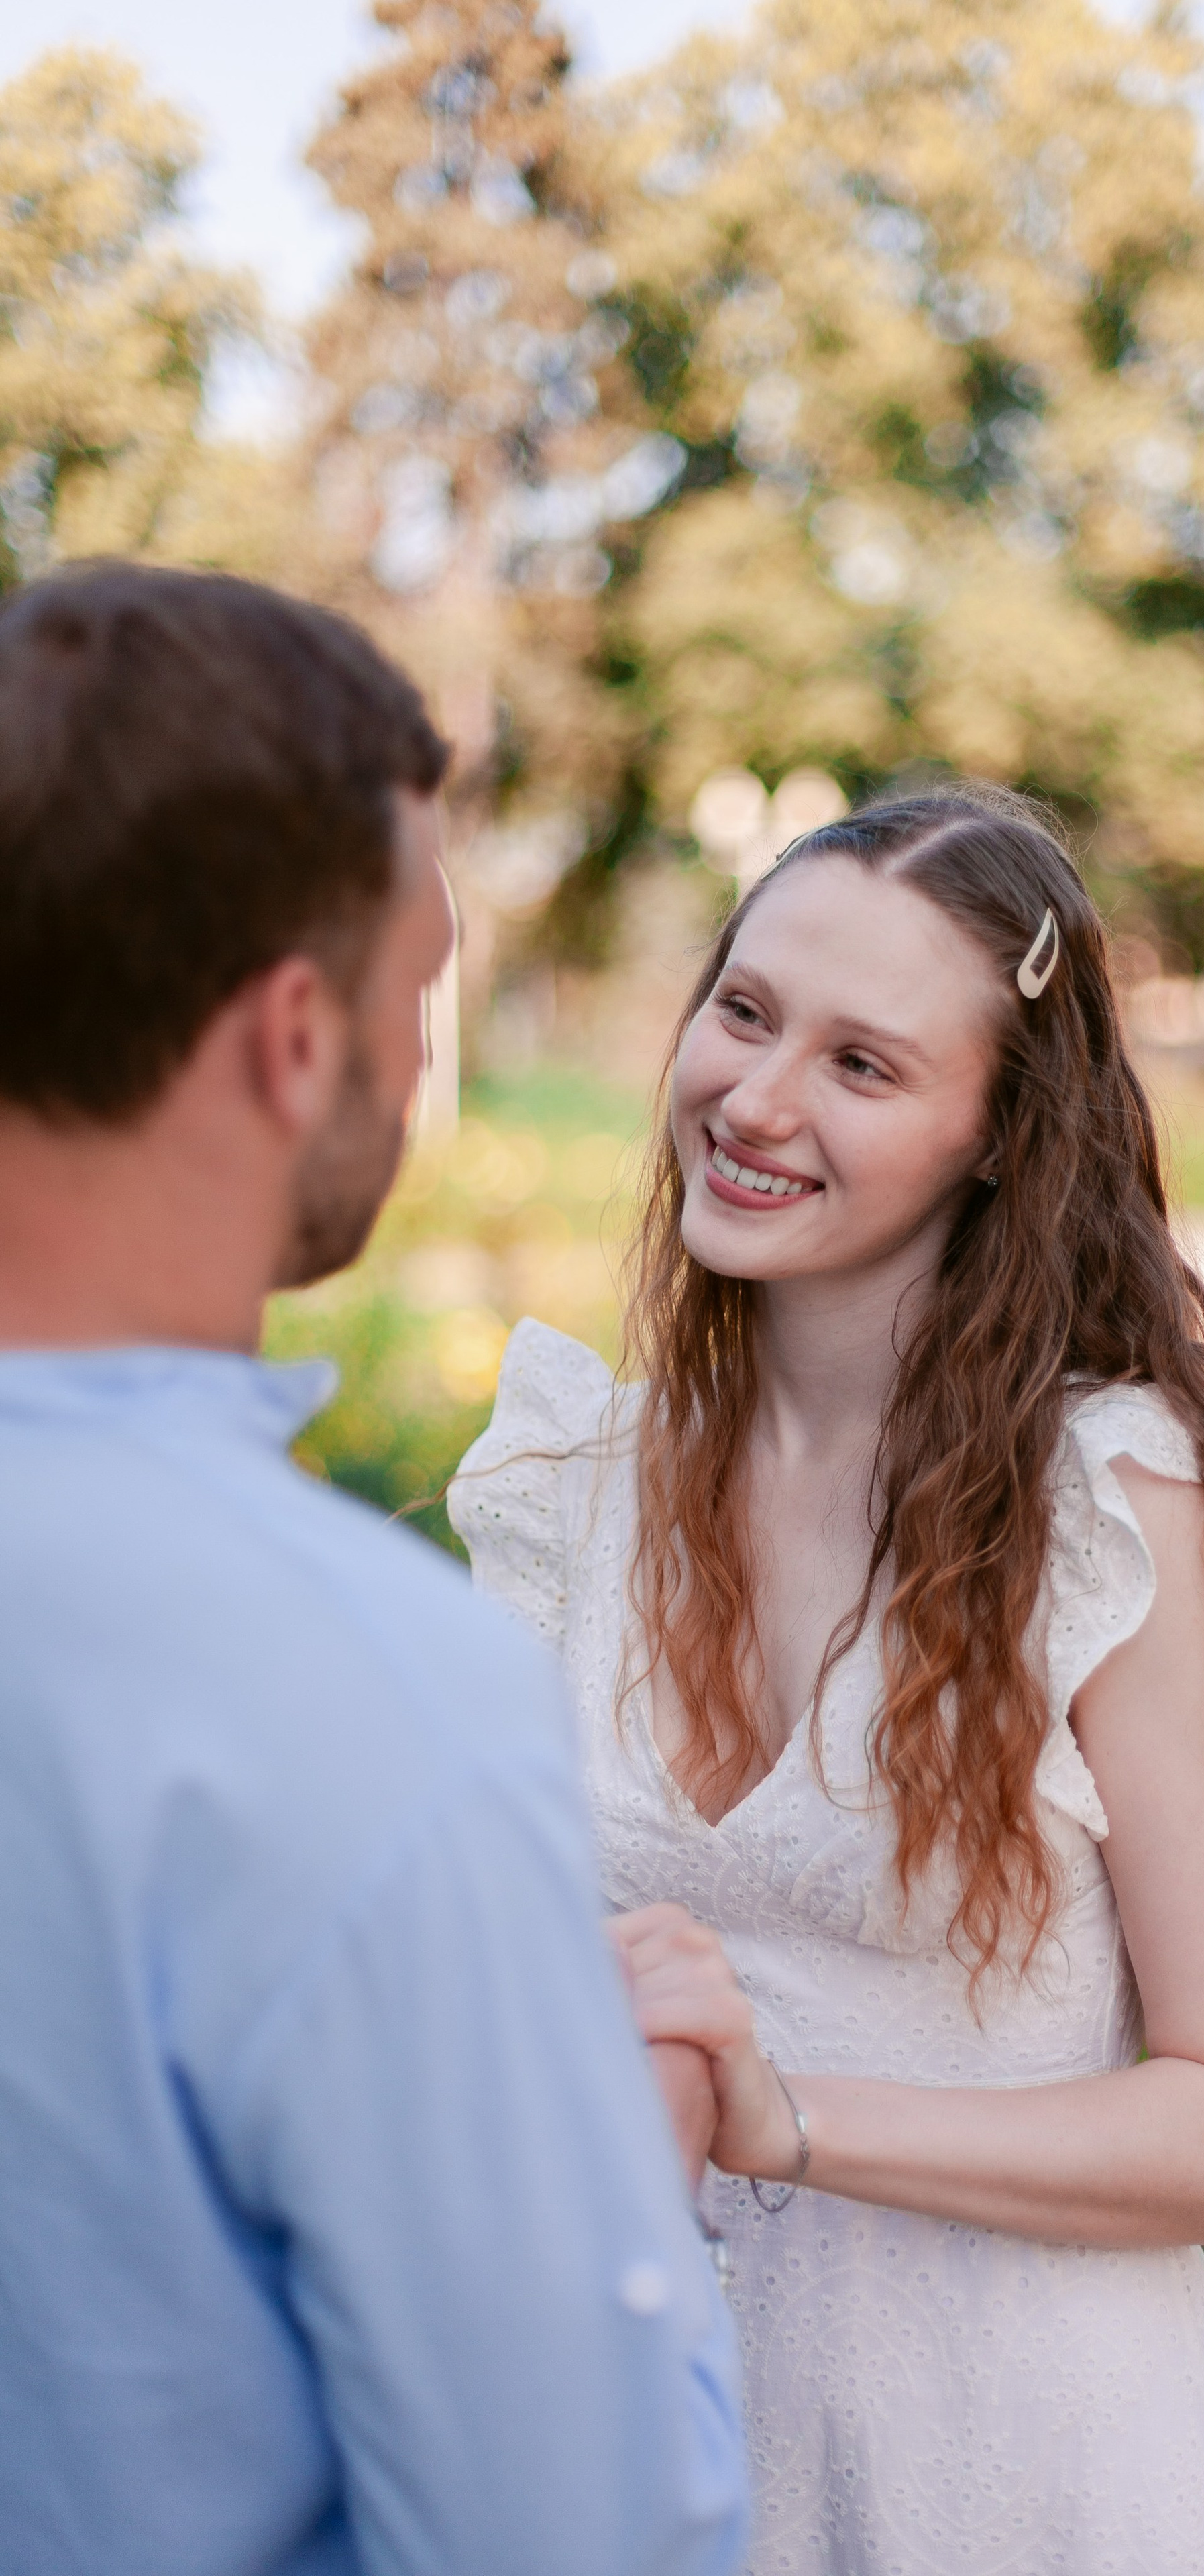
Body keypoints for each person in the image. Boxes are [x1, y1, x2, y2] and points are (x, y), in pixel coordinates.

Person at [453, 786, 1204, 2575]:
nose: (758, 1099)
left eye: (864, 1066)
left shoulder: (1117, 1518)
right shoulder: (572, 1490)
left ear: (997, 1136)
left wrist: (788, 2122)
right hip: (656, 2461)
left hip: (1026, 2470)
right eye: (744, 1012)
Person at [0, 564, 747, 2576]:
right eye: (423, 993)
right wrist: (625, 2143)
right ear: (298, 1034)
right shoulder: (361, 1691)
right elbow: (571, 2541)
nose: (424, 1068)